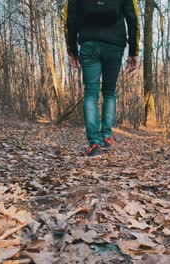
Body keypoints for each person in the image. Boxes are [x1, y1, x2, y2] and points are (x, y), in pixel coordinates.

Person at [64, 0, 140, 156]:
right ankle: (106, 137)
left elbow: (70, 18)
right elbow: (133, 18)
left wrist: (72, 50)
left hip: (89, 44)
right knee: (109, 92)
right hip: (114, 45)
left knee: (91, 93)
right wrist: (134, 51)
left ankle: (94, 144)